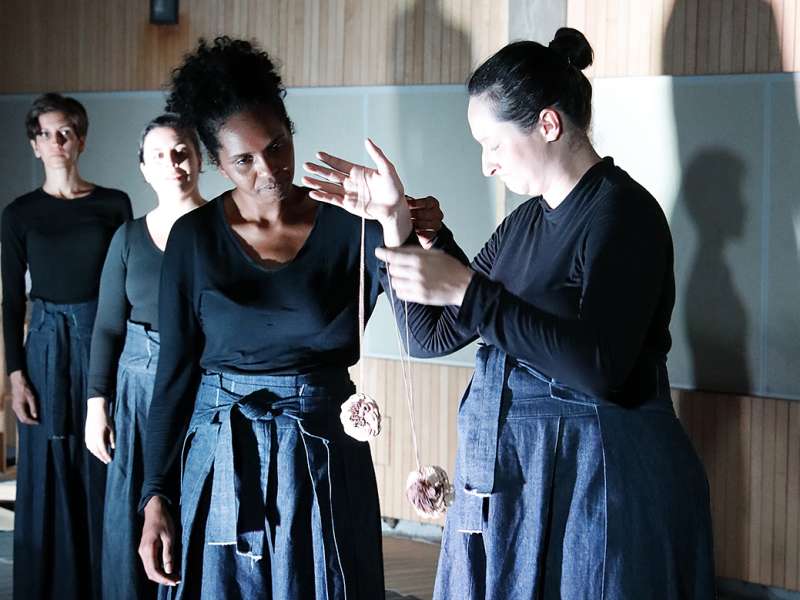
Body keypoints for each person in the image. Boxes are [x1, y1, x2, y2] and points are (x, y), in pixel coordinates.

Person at [308, 28, 716, 599]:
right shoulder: (523, 224)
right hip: (520, 478)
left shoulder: (623, 215)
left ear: (548, 125)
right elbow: (432, 334)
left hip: (601, 482)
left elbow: (602, 367)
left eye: (493, 145)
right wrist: (396, 225)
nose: (486, 166)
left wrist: (471, 292)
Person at [137, 36, 443, 599]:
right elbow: (174, 372)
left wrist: (408, 226)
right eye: (244, 160)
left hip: (322, 451)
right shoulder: (194, 239)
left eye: (278, 146)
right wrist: (155, 493)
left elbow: (425, 335)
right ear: (216, 161)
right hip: (221, 452)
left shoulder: (352, 223)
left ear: (290, 131)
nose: (268, 169)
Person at [1, 92, 132, 600]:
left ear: (80, 139)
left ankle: (107, 580)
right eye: (46, 134)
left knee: (103, 453)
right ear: (34, 145)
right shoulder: (19, 213)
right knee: (47, 459)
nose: (56, 142)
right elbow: (12, 301)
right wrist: (16, 377)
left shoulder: (113, 204)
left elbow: (127, 284)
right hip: (45, 349)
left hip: (102, 342)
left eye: (65, 132)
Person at [84, 114, 205, 600]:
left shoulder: (222, 228)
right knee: (129, 520)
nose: (172, 163)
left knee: (192, 514)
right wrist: (98, 405)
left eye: (181, 152)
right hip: (136, 392)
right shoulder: (128, 237)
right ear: (143, 168)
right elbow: (108, 326)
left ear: (198, 160)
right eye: (159, 155)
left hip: (202, 389)